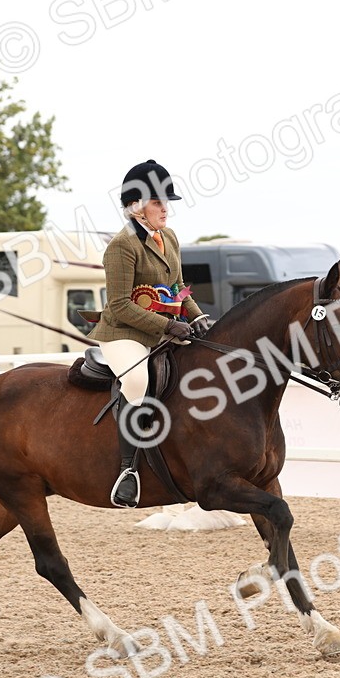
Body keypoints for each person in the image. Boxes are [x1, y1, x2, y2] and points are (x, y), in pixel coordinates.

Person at [89, 159, 209, 508]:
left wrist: (197, 317)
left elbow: (178, 287)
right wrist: (169, 326)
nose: (165, 210)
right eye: (158, 202)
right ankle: (128, 471)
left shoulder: (168, 237)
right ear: (137, 206)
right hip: (123, 334)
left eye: (165, 202)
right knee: (138, 382)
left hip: (162, 329)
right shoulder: (121, 246)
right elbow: (122, 305)